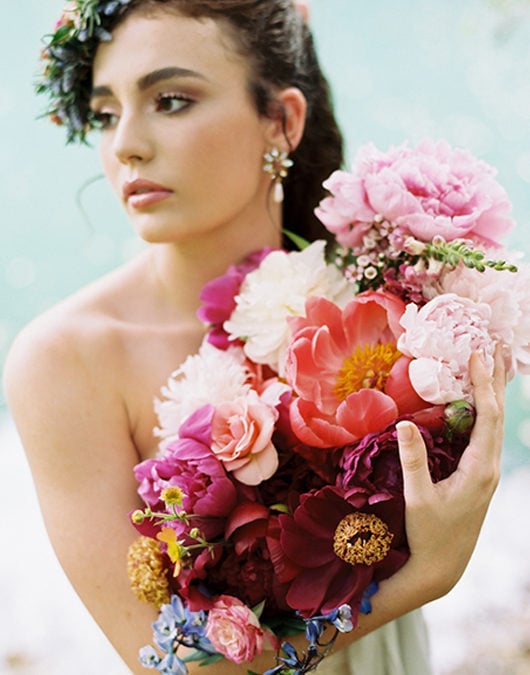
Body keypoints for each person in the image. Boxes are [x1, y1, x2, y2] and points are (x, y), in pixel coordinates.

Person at [3, 1, 505, 673]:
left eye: (170, 100)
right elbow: (172, 667)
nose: (124, 142)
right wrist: (424, 576)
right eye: (104, 112)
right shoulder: (64, 360)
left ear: (283, 120)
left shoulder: (392, 309)